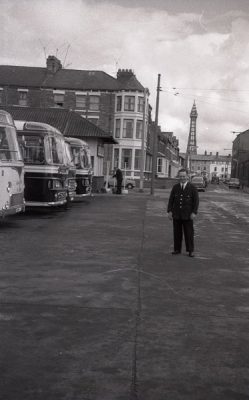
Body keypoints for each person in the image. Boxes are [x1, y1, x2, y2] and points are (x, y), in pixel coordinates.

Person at [167, 168, 199, 257]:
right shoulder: (175, 187)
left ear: (187, 176)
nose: (182, 178)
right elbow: (171, 200)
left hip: (188, 215)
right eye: (180, 176)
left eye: (184, 176)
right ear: (178, 177)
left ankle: (190, 250)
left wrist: (194, 212)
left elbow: (196, 201)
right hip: (176, 214)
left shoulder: (192, 188)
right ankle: (177, 249)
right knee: (177, 233)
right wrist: (169, 211)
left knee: (189, 233)